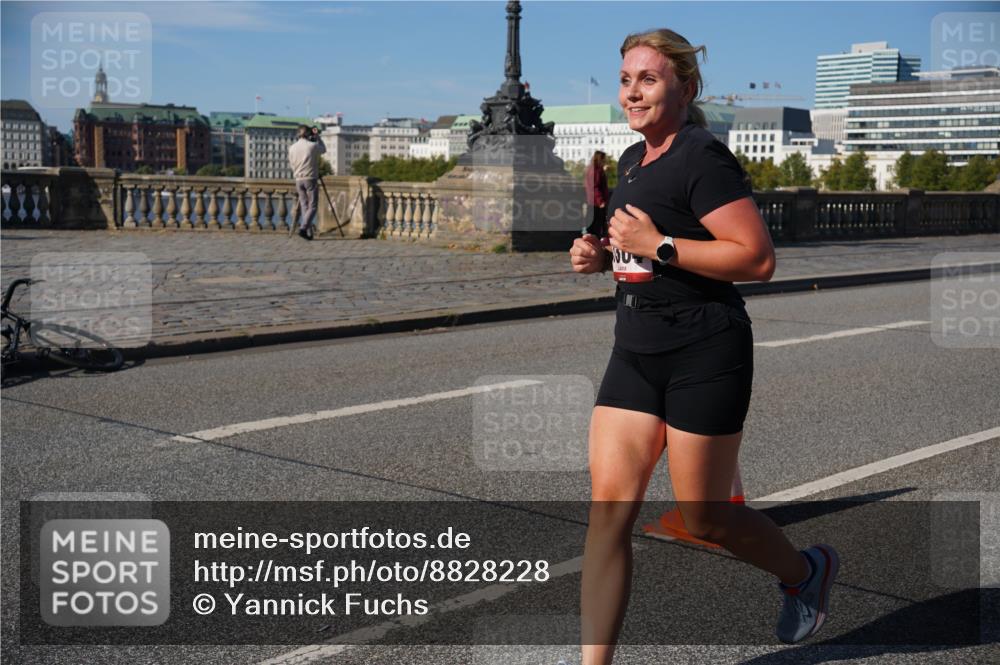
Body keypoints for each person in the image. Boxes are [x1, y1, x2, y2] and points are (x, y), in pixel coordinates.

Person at [568, 28, 839, 662]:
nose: (633, 92)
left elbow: (757, 258)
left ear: (685, 89)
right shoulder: (634, 160)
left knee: (707, 519)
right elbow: (627, 240)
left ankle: (804, 573)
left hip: (705, 352)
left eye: (649, 79)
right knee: (607, 516)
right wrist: (595, 251)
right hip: (634, 351)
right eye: (627, 80)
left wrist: (658, 245)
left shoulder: (702, 157)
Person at [288, 125, 327, 240]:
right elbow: (323, 149)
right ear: (308, 135)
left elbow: (291, 164)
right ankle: (303, 228)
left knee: (305, 205)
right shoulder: (312, 146)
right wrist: (318, 138)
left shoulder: (292, 148)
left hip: (298, 179)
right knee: (313, 206)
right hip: (310, 178)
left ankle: (308, 232)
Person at [584, 151, 610, 237]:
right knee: (597, 225)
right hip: (596, 203)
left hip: (593, 201)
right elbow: (595, 187)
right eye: (604, 159)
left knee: (594, 225)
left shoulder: (592, 169)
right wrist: (601, 201)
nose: (605, 161)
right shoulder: (596, 170)